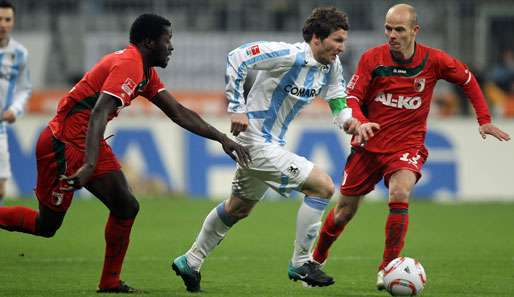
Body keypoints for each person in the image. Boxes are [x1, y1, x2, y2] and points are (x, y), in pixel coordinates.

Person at [0, 13, 250, 293]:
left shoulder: (144, 70)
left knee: (126, 206)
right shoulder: (129, 64)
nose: (171, 47)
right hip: (63, 143)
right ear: (149, 41)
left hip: (85, 142)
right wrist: (88, 164)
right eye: (167, 40)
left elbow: (178, 112)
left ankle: (109, 282)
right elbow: (98, 113)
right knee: (46, 225)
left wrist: (221, 139)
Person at [311, 3, 511, 291]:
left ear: (415, 31)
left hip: (407, 144)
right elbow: (352, 98)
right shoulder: (372, 59)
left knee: (400, 191)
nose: (392, 35)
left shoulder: (434, 60)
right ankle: (316, 260)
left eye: (399, 29)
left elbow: (467, 78)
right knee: (343, 212)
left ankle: (388, 267)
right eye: (388, 29)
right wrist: (362, 122)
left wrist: (484, 119)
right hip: (368, 144)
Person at [172, 7, 360, 292]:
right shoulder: (289, 55)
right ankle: (301, 262)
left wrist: (349, 123)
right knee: (322, 186)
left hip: (271, 144)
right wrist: (237, 108)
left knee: (238, 208)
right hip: (254, 141)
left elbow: (337, 99)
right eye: (336, 40)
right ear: (317, 39)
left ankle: (191, 260)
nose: (341, 48)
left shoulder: (330, 66)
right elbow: (237, 57)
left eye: (343, 41)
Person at [0, 0, 32, 204]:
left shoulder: (19, 54)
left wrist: (14, 109)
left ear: (13, 22)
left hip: (0, 127)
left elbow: (24, 88)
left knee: (1, 189)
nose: (3, 23)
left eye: (7, 19)